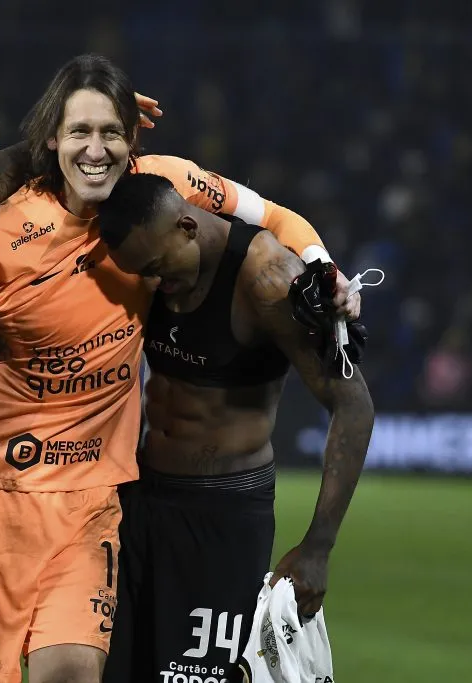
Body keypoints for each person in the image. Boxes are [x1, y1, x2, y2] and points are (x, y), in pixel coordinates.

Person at [0, 54, 358, 683]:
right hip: (3, 492)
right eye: (78, 132)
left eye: (111, 133)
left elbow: (273, 216)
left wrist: (321, 265)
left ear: (134, 140)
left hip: (104, 497)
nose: (96, 150)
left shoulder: (171, 184)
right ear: (50, 137)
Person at [96, 172, 374, 683]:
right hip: (140, 503)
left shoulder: (267, 279)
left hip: (223, 517)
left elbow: (354, 407)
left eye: (157, 268)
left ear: (186, 226)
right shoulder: (150, 251)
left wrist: (318, 548)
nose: (153, 284)